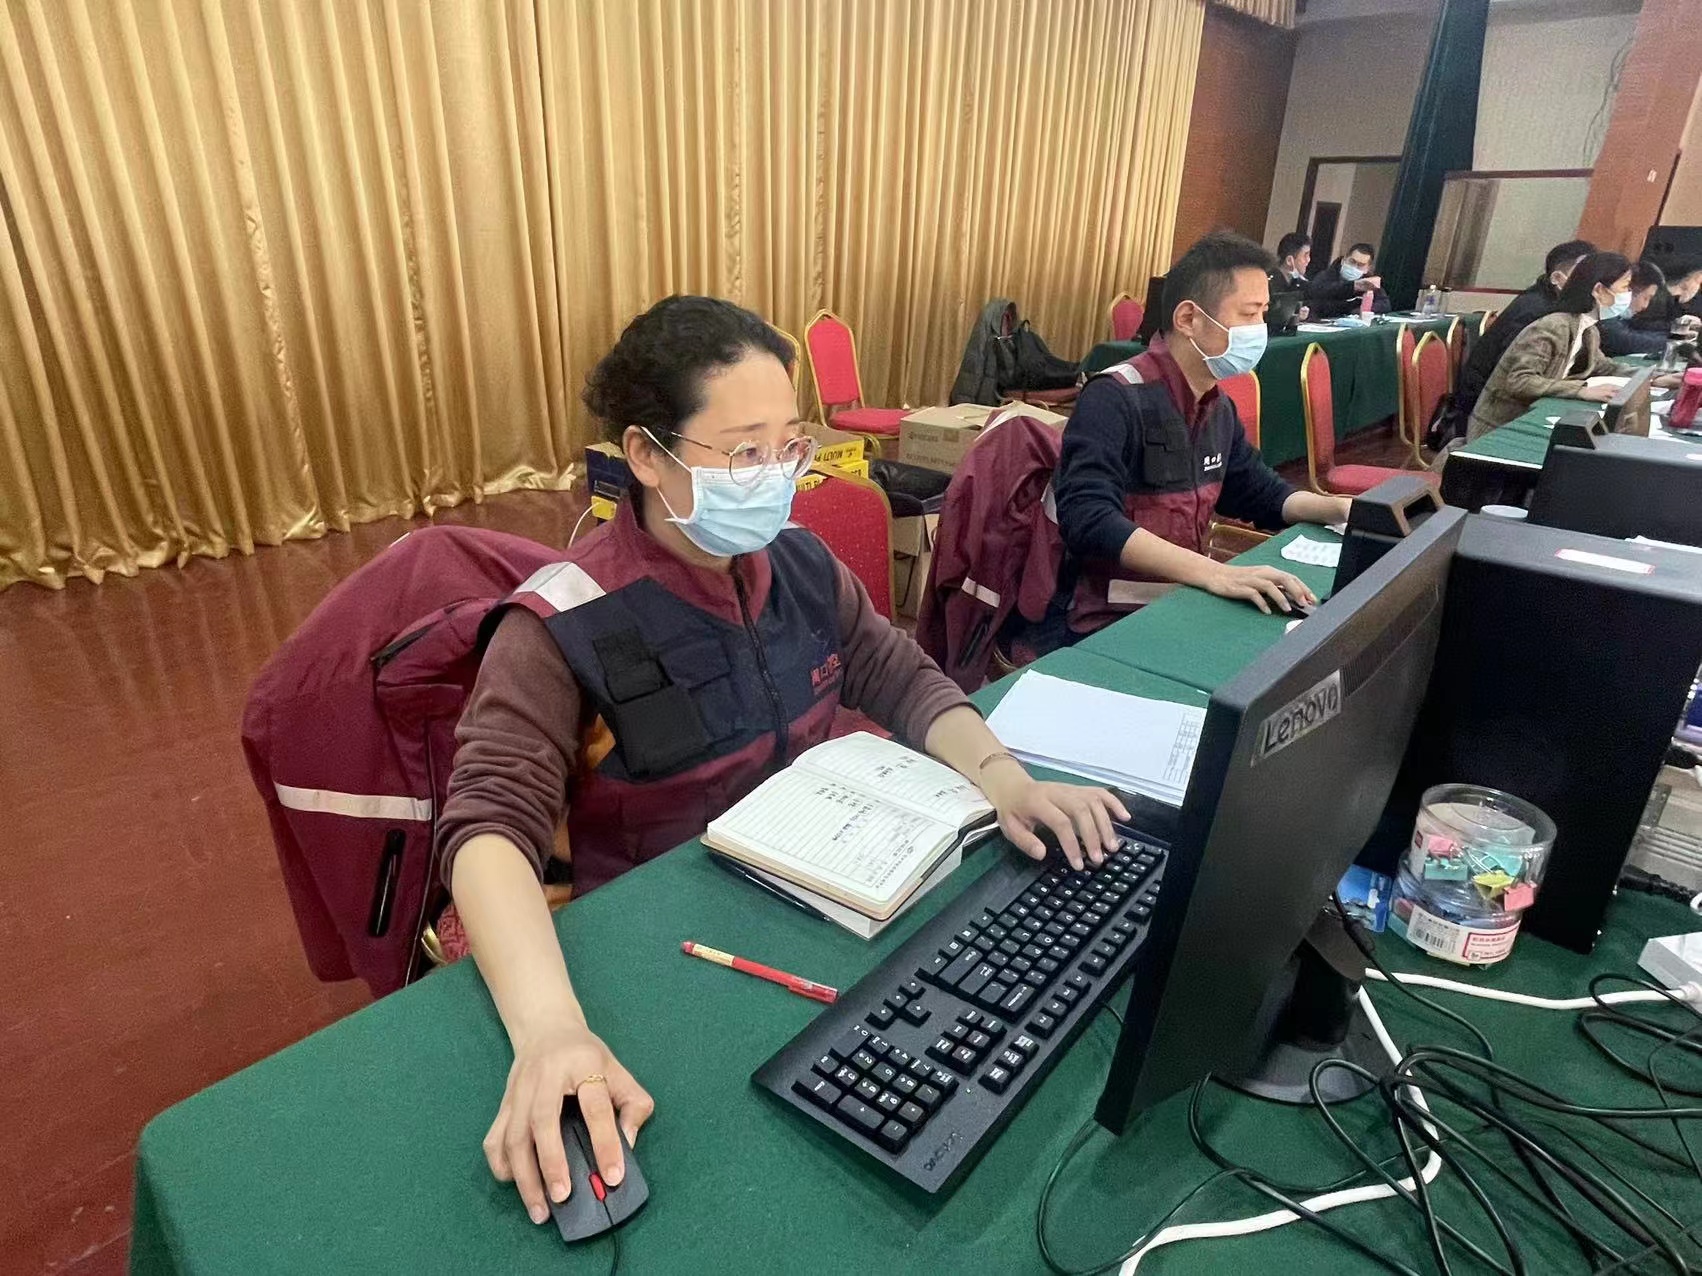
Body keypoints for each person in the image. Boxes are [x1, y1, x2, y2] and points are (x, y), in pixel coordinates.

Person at [436, 296, 1127, 1227]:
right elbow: (488, 827)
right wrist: (551, 1029)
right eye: (743, 452)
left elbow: (900, 675)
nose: (775, 477)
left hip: (818, 911)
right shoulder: (566, 621)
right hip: (657, 956)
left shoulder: (797, 563)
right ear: (647, 455)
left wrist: (1006, 779)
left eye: (788, 445)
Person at [1052, 232, 1351, 640]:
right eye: (1249, 314)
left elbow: (1258, 491)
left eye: (1264, 313)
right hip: (1105, 619)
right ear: (1189, 319)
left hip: (1179, 601)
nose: (1260, 330)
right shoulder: (1114, 397)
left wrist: (1338, 510)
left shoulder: (1217, 405)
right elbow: (1088, 519)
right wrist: (1215, 573)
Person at [1464, 252, 1637, 442]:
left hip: (1530, 417)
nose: (1629, 294)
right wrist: (1581, 390)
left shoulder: (1588, 329)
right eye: (1625, 286)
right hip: (1500, 427)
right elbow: (1520, 381)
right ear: (1598, 290)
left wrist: (1651, 377)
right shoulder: (1553, 326)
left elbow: (1603, 366)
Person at [1454, 239, 1595, 419]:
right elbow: (1516, 377)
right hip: (1487, 405)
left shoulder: (1559, 306)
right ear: (1557, 278)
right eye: (1582, 276)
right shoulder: (1537, 310)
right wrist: (1578, 390)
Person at [1599, 260, 1671, 357]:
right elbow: (1625, 341)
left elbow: (1639, 329)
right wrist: (1674, 343)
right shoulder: (1604, 314)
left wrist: (1675, 333)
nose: (1645, 306)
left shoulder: (1620, 318)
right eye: (1646, 298)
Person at [1305, 242, 1390, 319]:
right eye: (1352, 261)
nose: (1354, 267)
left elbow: (1385, 304)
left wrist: (1360, 310)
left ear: (1367, 268)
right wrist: (1353, 286)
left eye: (1360, 265)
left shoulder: (1368, 281)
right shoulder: (1327, 275)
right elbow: (1316, 292)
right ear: (1344, 259)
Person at [1629, 258, 1702, 336]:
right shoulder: (1656, 298)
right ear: (1686, 283)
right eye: (1699, 282)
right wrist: (1675, 326)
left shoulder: (1675, 301)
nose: (1698, 288)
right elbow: (1639, 325)